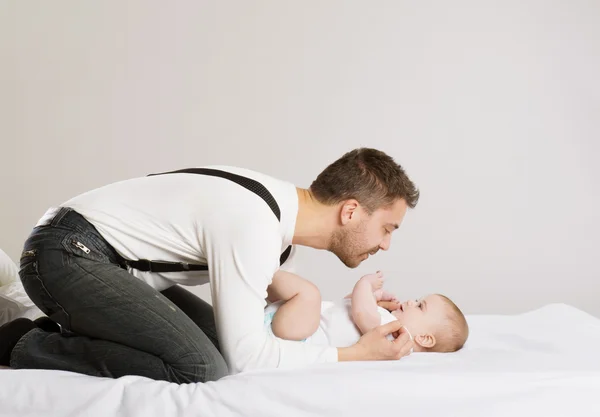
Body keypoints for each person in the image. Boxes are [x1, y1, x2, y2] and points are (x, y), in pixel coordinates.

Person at [0, 147, 420, 383]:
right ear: (350, 211)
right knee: (202, 367)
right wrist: (354, 354)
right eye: (387, 228)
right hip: (65, 253)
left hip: (103, 262)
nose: (385, 245)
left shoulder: (279, 236)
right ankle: (20, 342)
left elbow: (258, 329)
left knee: (214, 347)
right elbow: (246, 359)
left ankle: (62, 324)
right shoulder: (254, 223)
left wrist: (349, 310)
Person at [265, 271, 469, 353]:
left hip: (298, 333)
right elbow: (346, 305)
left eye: (419, 306)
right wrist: (374, 298)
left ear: (424, 338)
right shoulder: (386, 321)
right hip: (292, 323)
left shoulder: (395, 337)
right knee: (297, 293)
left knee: (308, 293)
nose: (410, 301)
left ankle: (262, 270)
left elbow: (362, 314)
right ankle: (258, 277)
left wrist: (365, 285)